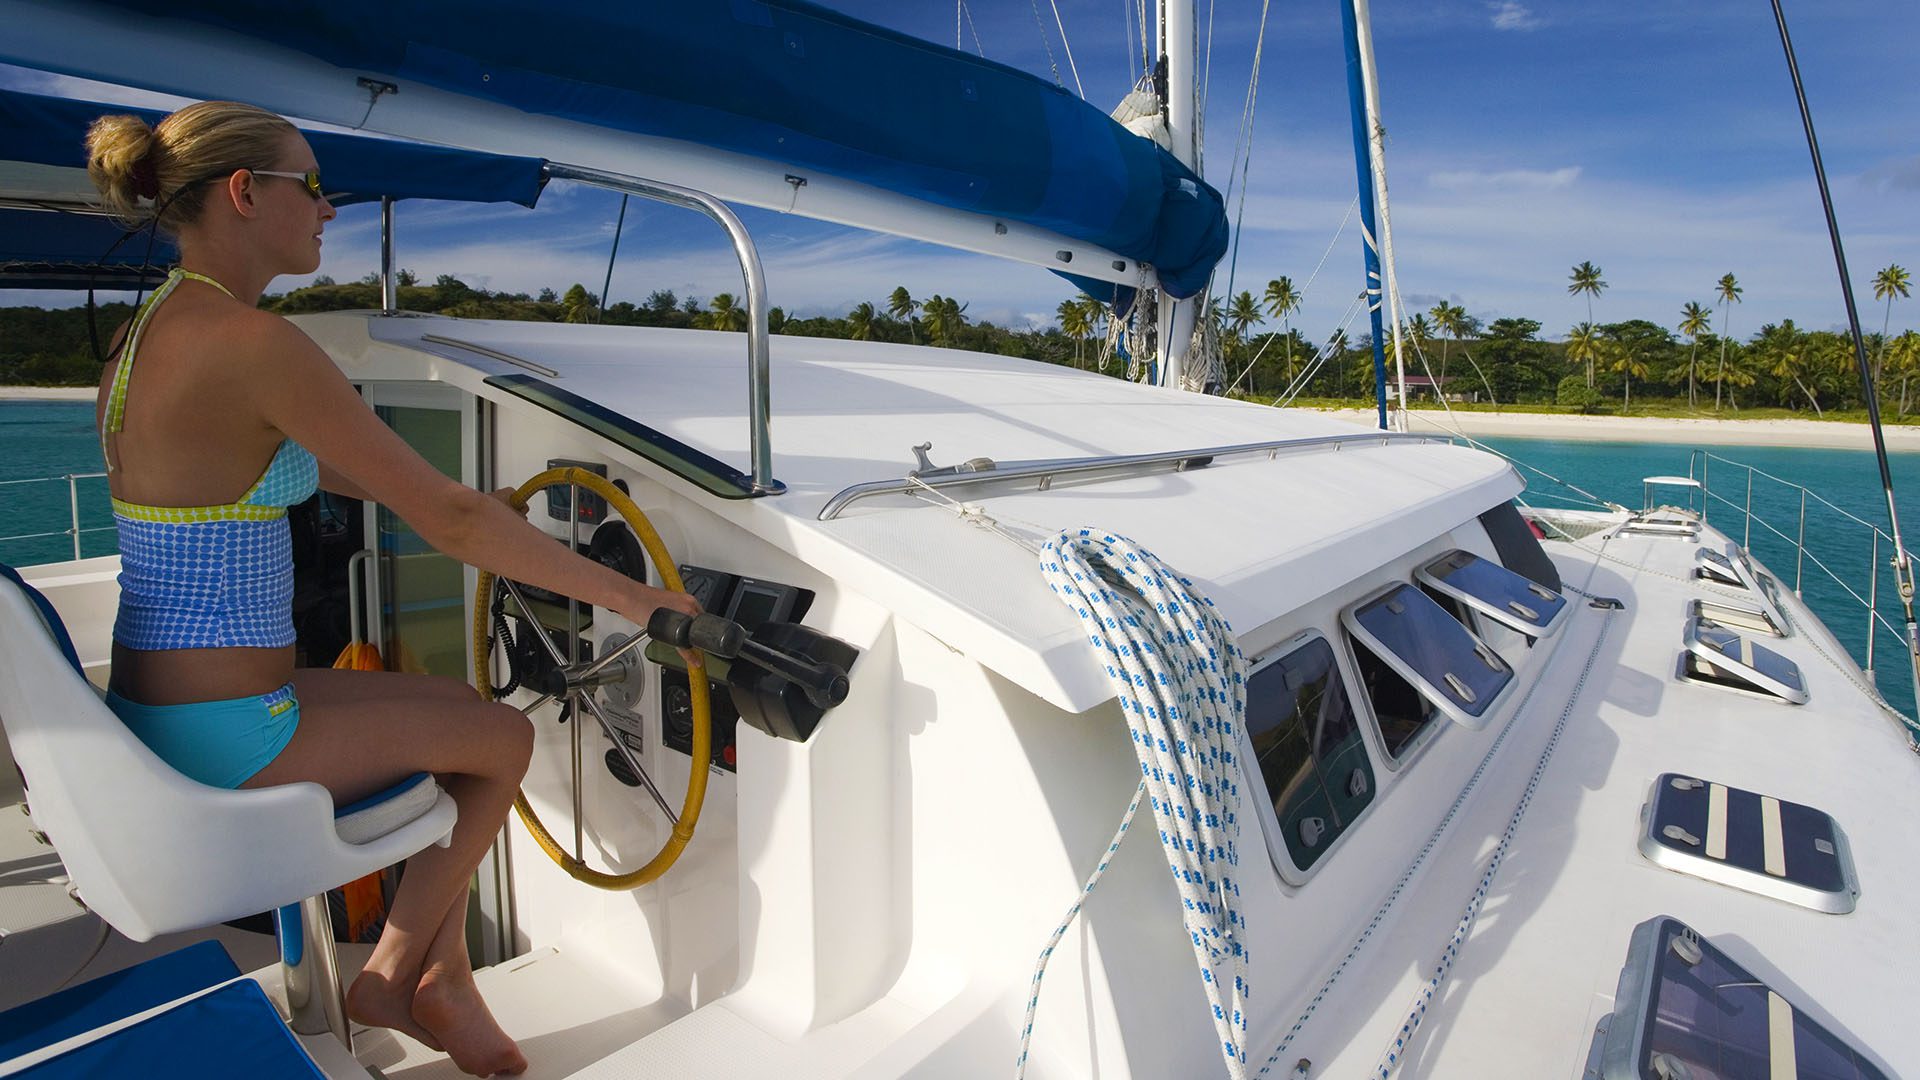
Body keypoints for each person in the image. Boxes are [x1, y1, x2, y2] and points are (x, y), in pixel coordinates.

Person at [85, 100, 698, 1077]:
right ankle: (402, 966)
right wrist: (645, 605)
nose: (329, 209)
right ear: (248, 193)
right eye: (314, 186)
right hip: (233, 732)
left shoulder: (143, 335)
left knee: (461, 706)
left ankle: (438, 976)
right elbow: (449, 527)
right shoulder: (254, 346)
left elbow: (269, 460)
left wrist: (454, 495)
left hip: (157, 709)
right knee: (502, 740)